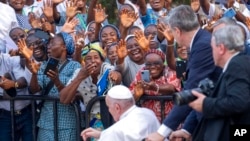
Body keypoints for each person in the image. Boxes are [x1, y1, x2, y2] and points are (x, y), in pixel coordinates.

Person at [146, 5, 221, 141]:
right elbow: (199, 93)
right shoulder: (200, 42)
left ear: (177, 31)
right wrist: (186, 129)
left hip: (226, 123)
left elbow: (191, 92)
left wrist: (161, 133)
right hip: (209, 121)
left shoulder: (203, 45)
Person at [171, 24, 250, 141]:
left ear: (221, 49)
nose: (210, 52)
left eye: (212, 48)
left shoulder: (237, 65)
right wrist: (187, 129)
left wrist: (205, 104)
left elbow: (239, 102)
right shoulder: (239, 63)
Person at [81, 85, 160, 141]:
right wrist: (102, 134)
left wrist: (106, 134)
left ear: (117, 107)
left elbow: (116, 134)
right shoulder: (149, 113)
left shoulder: (116, 130)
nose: (108, 110)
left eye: (108, 107)